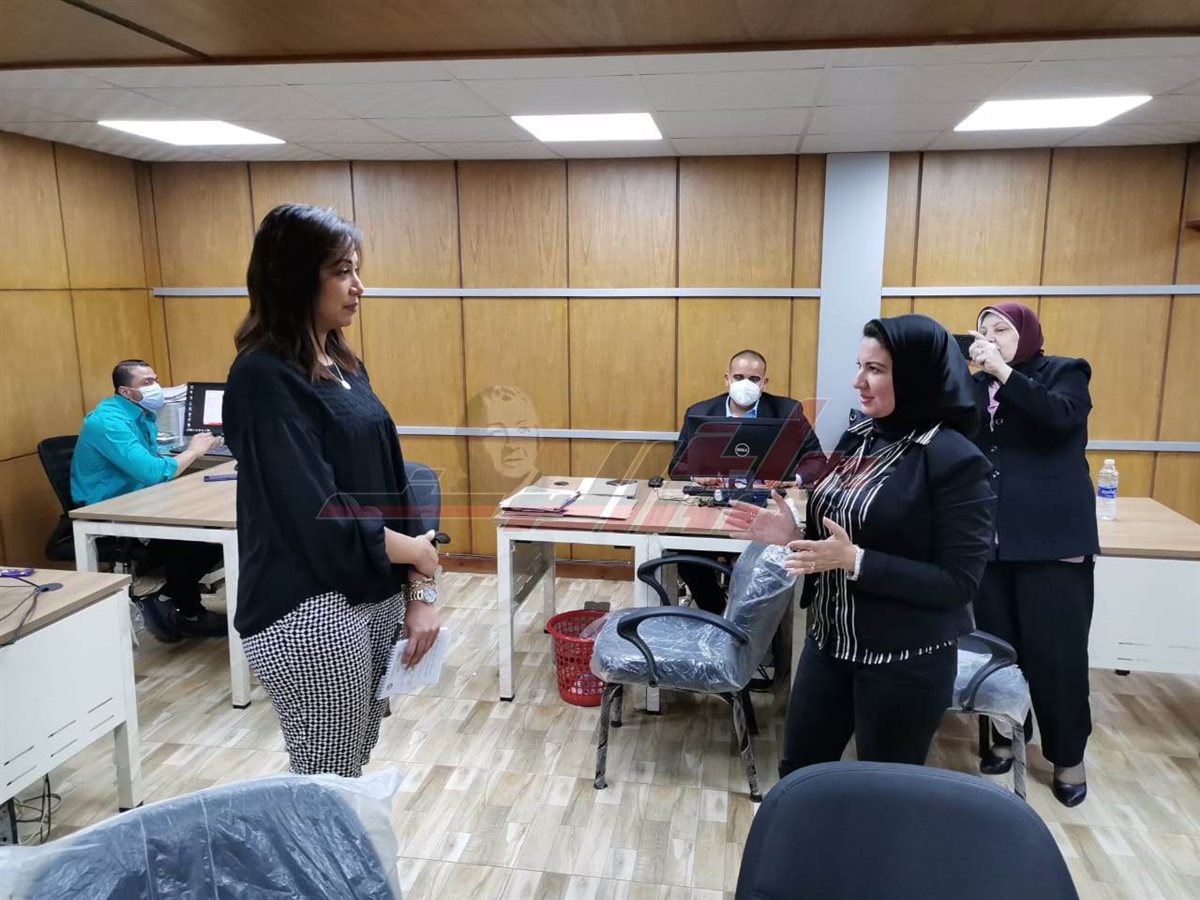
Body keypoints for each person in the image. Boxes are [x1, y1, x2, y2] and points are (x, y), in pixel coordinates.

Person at [223, 203, 441, 778]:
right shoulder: (262, 376)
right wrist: (417, 553)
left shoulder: (343, 362)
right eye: (342, 272)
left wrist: (421, 589)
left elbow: (392, 479)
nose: (358, 286)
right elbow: (318, 509)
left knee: (354, 758)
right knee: (326, 775)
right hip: (310, 610)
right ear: (295, 278)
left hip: (372, 594)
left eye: (356, 269)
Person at [729, 315, 995, 774]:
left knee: (881, 791)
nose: (858, 382)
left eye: (876, 369)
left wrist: (857, 561)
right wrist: (795, 537)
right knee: (799, 773)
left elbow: (957, 584)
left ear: (915, 376)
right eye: (860, 366)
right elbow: (841, 534)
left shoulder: (955, 460)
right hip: (829, 644)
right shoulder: (860, 437)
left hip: (902, 661)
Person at [968, 302, 1098, 807]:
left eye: (1001, 328)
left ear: (1026, 332)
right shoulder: (976, 387)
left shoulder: (1065, 372)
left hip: (1052, 542)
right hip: (991, 541)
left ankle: (1067, 755)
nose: (991, 336)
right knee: (1000, 651)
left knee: (1057, 656)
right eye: (983, 330)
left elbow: (1060, 418)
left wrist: (1003, 372)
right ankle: (1007, 736)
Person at [71, 359, 226, 641]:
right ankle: (182, 609)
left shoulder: (141, 416)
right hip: (109, 509)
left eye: (155, 379)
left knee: (214, 529)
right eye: (146, 382)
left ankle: (169, 601)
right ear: (125, 391)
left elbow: (151, 463)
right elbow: (154, 473)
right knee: (203, 538)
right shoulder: (109, 422)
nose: (155, 387)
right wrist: (194, 451)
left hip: (141, 499)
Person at [670, 349, 823, 613]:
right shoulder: (700, 412)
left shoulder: (788, 411)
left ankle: (757, 622)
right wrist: (698, 474)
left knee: (766, 564)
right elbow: (676, 466)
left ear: (764, 382)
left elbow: (817, 460)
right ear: (727, 379)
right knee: (687, 556)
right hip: (714, 508)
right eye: (739, 377)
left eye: (754, 379)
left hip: (766, 509)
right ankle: (720, 616)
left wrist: (791, 479)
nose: (745, 384)